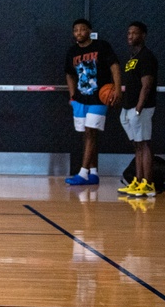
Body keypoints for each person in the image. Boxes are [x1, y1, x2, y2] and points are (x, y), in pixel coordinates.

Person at [64, 18, 121, 185]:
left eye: (82, 29)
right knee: (88, 135)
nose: (79, 33)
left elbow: (115, 66)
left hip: (99, 98)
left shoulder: (101, 46)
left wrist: (117, 88)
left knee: (90, 132)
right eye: (76, 30)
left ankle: (82, 173)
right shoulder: (72, 52)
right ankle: (94, 173)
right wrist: (72, 95)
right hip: (81, 99)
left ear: (89, 31)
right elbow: (69, 73)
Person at [117, 21, 158, 198]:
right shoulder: (132, 58)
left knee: (145, 143)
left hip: (141, 108)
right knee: (138, 145)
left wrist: (139, 107)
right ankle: (138, 181)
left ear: (143, 35)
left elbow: (146, 85)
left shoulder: (147, 57)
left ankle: (148, 185)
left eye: (134, 33)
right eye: (128, 33)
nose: (130, 36)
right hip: (129, 107)